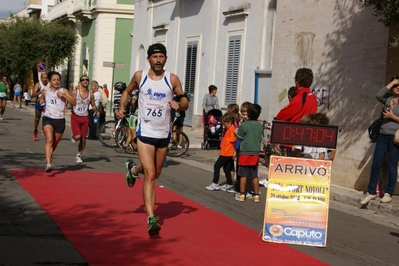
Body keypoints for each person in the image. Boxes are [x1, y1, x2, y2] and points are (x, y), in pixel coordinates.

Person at [115, 43, 188, 236]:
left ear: (165, 59)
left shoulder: (172, 79)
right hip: (145, 133)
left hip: (163, 134)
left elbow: (184, 100)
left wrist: (178, 104)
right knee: (149, 175)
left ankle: (132, 169)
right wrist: (122, 107)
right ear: (148, 59)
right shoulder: (141, 76)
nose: (158, 60)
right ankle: (151, 217)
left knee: (155, 173)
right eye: (154, 57)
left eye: (161, 57)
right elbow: (127, 91)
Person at [361, 77, 399, 205]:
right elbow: (378, 95)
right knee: (376, 164)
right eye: (396, 86)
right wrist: (393, 82)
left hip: (395, 138)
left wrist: (392, 116)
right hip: (383, 135)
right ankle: (371, 192)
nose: (397, 87)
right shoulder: (387, 100)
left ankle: (388, 193)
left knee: (392, 166)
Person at [38, 71, 76, 172]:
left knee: (54, 143)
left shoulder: (63, 90)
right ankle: (48, 163)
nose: (56, 81)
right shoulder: (45, 91)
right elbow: (40, 101)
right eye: (54, 80)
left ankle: (48, 156)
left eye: (58, 80)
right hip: (48, 118)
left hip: (59, 120)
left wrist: (64, 95)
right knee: (49, 140)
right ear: (50, 81)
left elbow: (73, 102)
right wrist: (41, 99)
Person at [276, 68, 318, 156]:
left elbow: (281, 116)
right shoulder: (313, 97)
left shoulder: (299, 98)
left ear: (297, 82)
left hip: (293, 142)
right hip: (307, 140)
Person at [235, 103, 263, 203]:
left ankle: (242, 194)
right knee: (254, 174)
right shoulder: (260, 125)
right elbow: (260, 138)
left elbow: (240, 136)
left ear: (249, 113)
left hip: (245, 152)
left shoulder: (244, 125)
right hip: (255, 152)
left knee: (243, 174)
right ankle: (256, 195)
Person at [70, 76, 99, 163]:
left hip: (85, 117)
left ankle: (79, 155)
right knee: (77, 137)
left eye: (87, 79)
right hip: (75, 116)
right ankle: (73, 136)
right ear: (80, 82)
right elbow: (68, 100)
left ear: (89, 82)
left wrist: (96, 110)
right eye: (83, 80)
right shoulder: (75, 92)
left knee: (83, 138)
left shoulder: (91, 94)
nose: (85, 81)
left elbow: (93, 105)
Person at [205, 113, 237, 191]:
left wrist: (235, 152)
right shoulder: (228, 129)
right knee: (226, 168)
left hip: (227, 152)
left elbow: (234, 142)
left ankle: (215, 183)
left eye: (225, 123)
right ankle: (229, 183)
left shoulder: (231, 129)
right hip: (226, 151)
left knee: (217, 166)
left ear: (229, 122)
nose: (224, 125)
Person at [32, 73, 49, 140]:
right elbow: (33, 95)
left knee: (47, 118)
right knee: (37, 119)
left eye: (46, 78)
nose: (45, 79)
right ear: (41, 78)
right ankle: (35, 131)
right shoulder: (38, 84)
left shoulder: (49, 85)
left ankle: (44, 128)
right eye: (43, 78)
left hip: (47, 104)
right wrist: (40, 92)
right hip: (39, 103)